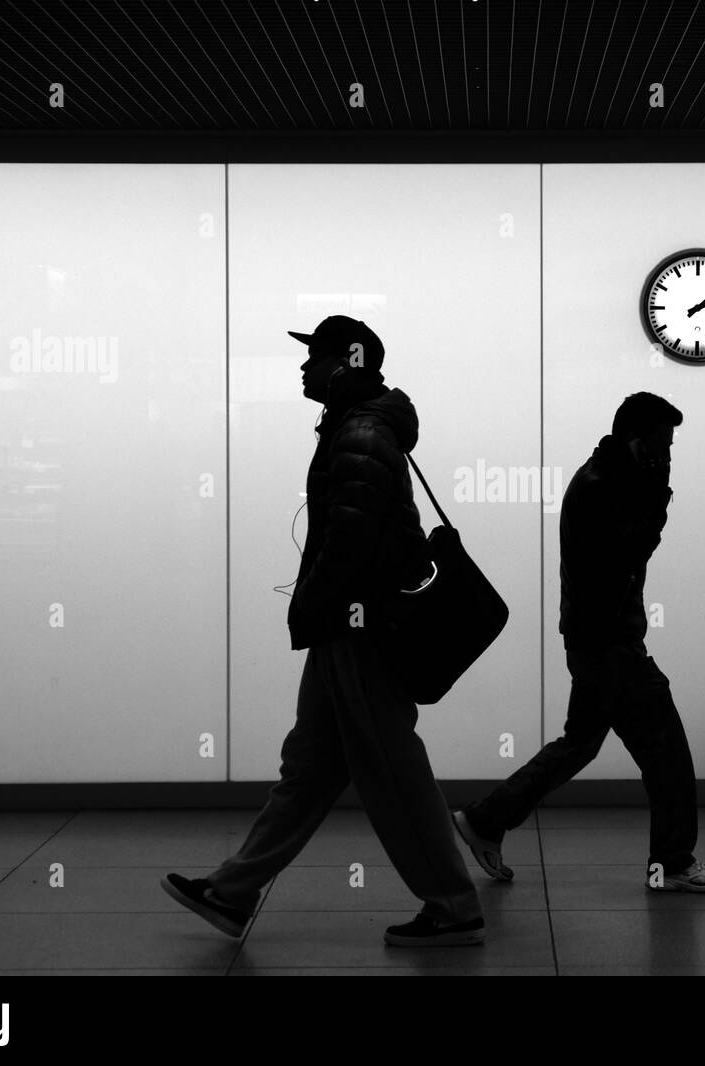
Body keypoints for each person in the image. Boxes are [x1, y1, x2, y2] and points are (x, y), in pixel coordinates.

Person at [163, 315, 484, 946]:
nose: (304, 368)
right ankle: (232, 891)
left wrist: (313, 603)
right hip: (347, 622)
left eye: (316, 357)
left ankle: (453, 904)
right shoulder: (358, 424)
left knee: (392, 769)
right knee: (311, 765)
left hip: (356, 627)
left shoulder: (360, 430)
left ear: (347, 363)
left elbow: (353, 542)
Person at [453, 393, 705, 893]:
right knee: (666, 751)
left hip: (597, 639)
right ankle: (672, 862)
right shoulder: (602, 487)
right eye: (663, 445)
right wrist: (658, 495)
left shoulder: (606, 478)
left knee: (578, 745)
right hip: (610, 644)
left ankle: (485, 820)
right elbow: (627, 555)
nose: (668, 456)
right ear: (638, 441)